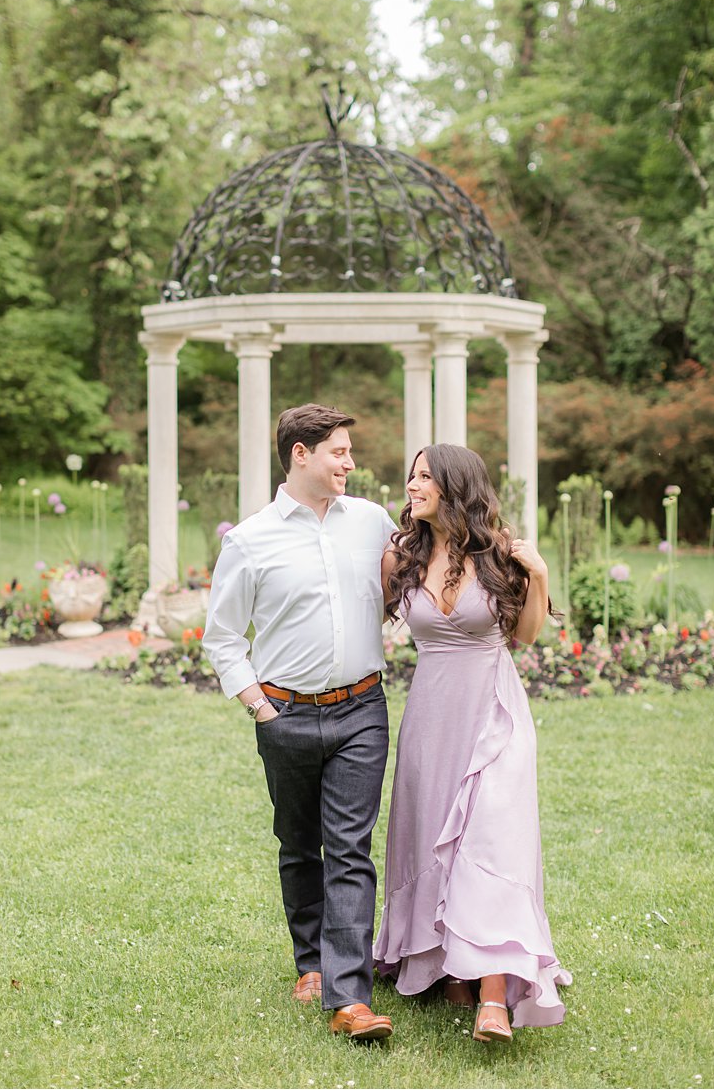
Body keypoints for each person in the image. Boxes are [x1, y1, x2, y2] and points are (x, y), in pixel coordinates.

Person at [204, 404, 399, 1041]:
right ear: (300, 455)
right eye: (338, 451)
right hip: (284, 712)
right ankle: (310, 963)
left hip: (362, 710)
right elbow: (224, 637)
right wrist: (261, 708)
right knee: (298, 844)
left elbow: (409, 586)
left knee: (349, 847)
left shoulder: (372, 522)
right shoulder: (250, 541)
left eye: (349, 451)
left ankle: (348, 997)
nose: (349, 462)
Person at [371, 443, 571, 1043]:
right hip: (431, 716)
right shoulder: (399, 558)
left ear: (456, 486)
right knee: (432, 832)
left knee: (492, 836)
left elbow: (527, 635)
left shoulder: (497, 553)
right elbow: (368, 618)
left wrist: (538, 574)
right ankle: (444, 964)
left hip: (494, 711)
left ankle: (492, 996)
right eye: (411, 475)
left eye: (425, 477)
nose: (412, 485)